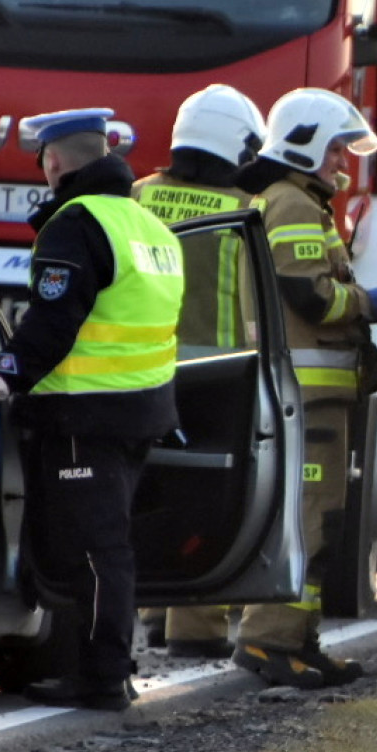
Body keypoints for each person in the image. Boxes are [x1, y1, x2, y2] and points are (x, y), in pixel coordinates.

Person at [0, 108, 185, 710]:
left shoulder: (74, 223)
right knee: (105, 545)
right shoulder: (148, 226)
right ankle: (104, 668)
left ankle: (101, 678)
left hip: (84, 415)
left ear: (54, 161)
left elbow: (53, 323)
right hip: (141, 410)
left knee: (93, 550)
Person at [228, 88, 377, 689]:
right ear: (306, 145)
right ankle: (269, 642)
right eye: (338, 150)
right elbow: (310, 295)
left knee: (322, 521)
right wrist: (366, 303)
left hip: (316, 400)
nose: (345, 163)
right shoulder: (293, 204)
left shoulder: (301, 202)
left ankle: (299, 639)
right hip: (306, 398)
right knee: (306, 521)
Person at [129, 84, 267, 659]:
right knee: (206, 499)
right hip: (217, 375)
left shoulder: (136, 196)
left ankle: (154, 612)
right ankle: (197, 628)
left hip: (137, 368)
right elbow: (261, 304)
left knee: (146, 490)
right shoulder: (245, 209)